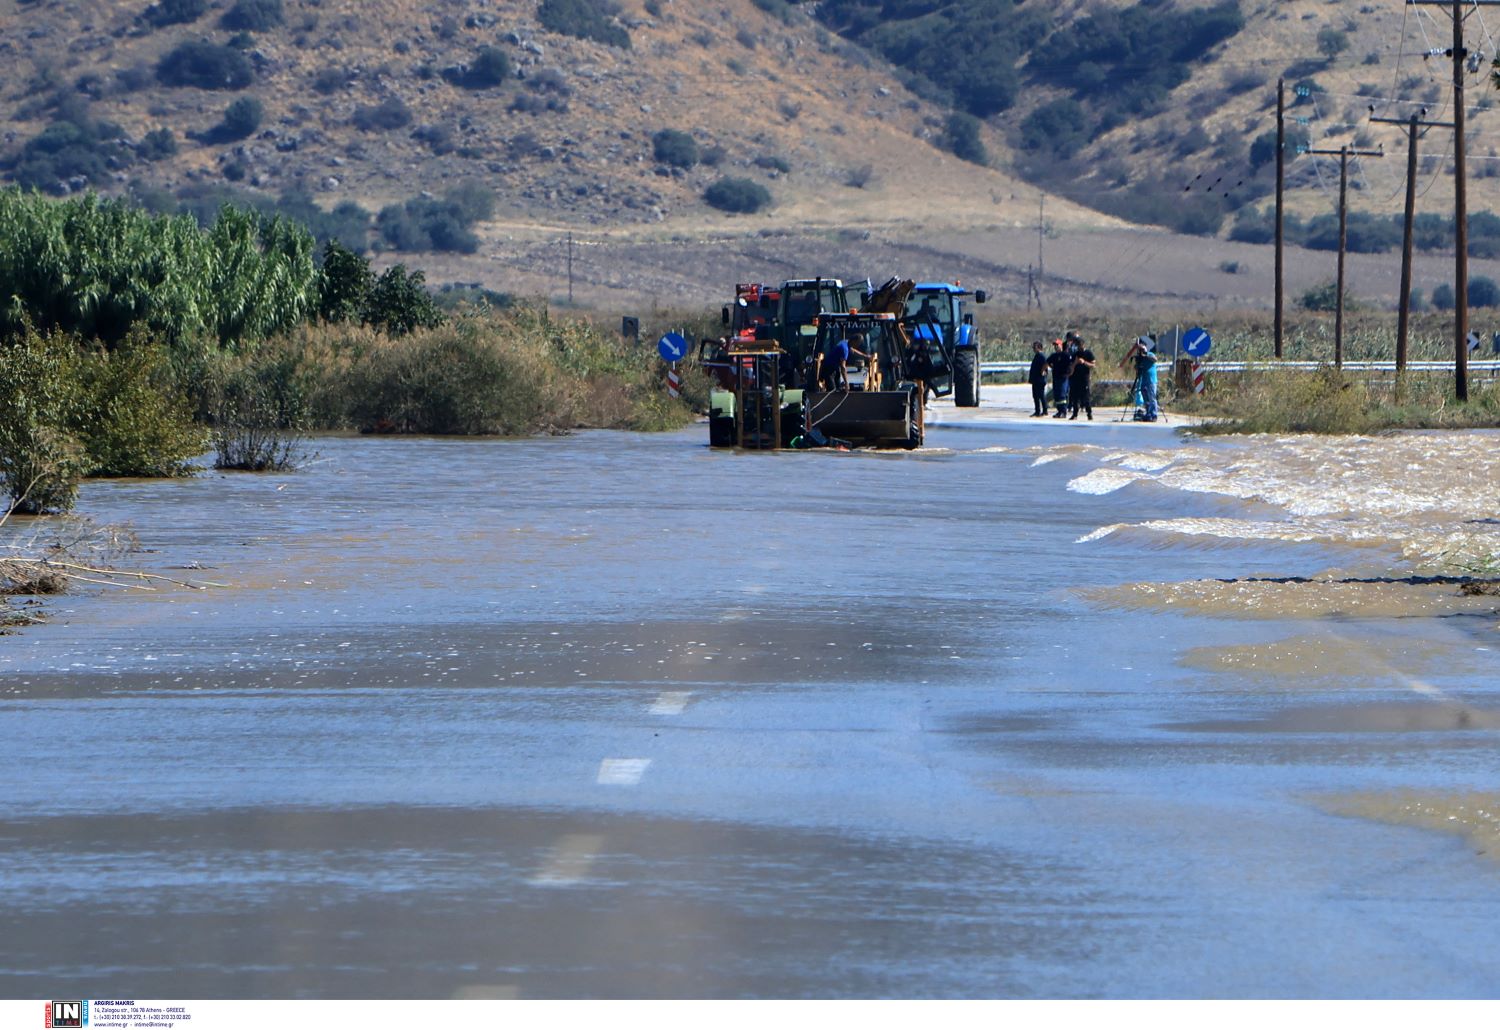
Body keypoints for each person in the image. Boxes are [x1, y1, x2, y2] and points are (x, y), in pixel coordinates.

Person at [1121, 335, 1160, 421]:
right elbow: (1136, 367)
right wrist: (1137, 364)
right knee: (1145, 397)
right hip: (1143, 380)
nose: (1140, 351)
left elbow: (1155, 359)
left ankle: (1154, 415)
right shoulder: (1140, 358)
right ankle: (1148, 412)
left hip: (1151, 380)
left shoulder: (1150, 354)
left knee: (1152, 397)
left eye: (1141, 349)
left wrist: (1145, 353)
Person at [1067, 335, 1096, 421]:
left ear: (1083, 344)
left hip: (1085, 378)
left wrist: (1084, 362)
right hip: (1076, 378)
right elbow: (1071, 368)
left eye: (1080, 345)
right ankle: (1075, 414)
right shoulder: (1075, 354)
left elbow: (1093, 365)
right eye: (1077, 345)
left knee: (1086, 397)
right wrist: (1075, 363)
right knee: (1075, 397)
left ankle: (1089, 413)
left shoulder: (1088, 353)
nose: (1079, 347)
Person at [1046, 338, 1071, 417]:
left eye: (1057, 345)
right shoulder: (1054, 356)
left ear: (1061, 345)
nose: (1056, 347)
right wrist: (1051, 366)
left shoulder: (1066, 355)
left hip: (1063, 378)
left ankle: (1063, 412)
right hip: (1056, 377)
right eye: (1055, 345)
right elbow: (1047, 362)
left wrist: (1069, 373)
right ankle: (1059, 411)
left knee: (1062, 395)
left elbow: (1071, 365)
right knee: (1057, 395)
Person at [1027, 340, 1048, 416]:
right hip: (1035, 379)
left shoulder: (1041, 356)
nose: (1033, 349)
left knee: (1041, 395)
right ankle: (1037, 411)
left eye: (1034, 347)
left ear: (1039, 347)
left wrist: (1042, 370)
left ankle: (1045, 410)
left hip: (1040, 379)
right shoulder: (1037, 356)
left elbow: (1046, 363)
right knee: (1035, 396)